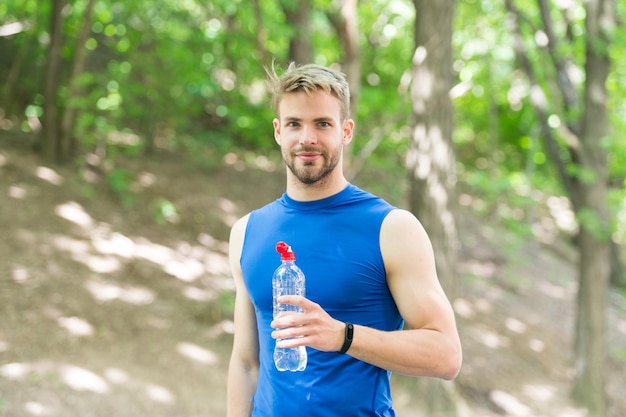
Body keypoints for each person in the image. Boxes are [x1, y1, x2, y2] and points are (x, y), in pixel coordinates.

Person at [226, 62, 462, 417]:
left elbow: (446, 355)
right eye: (294, 123)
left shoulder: (392, 228)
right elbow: (246, 362)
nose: (307, 138)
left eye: (322, 123)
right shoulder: (246, 231)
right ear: (278, 131)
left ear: (346, 131)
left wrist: (344, 336)